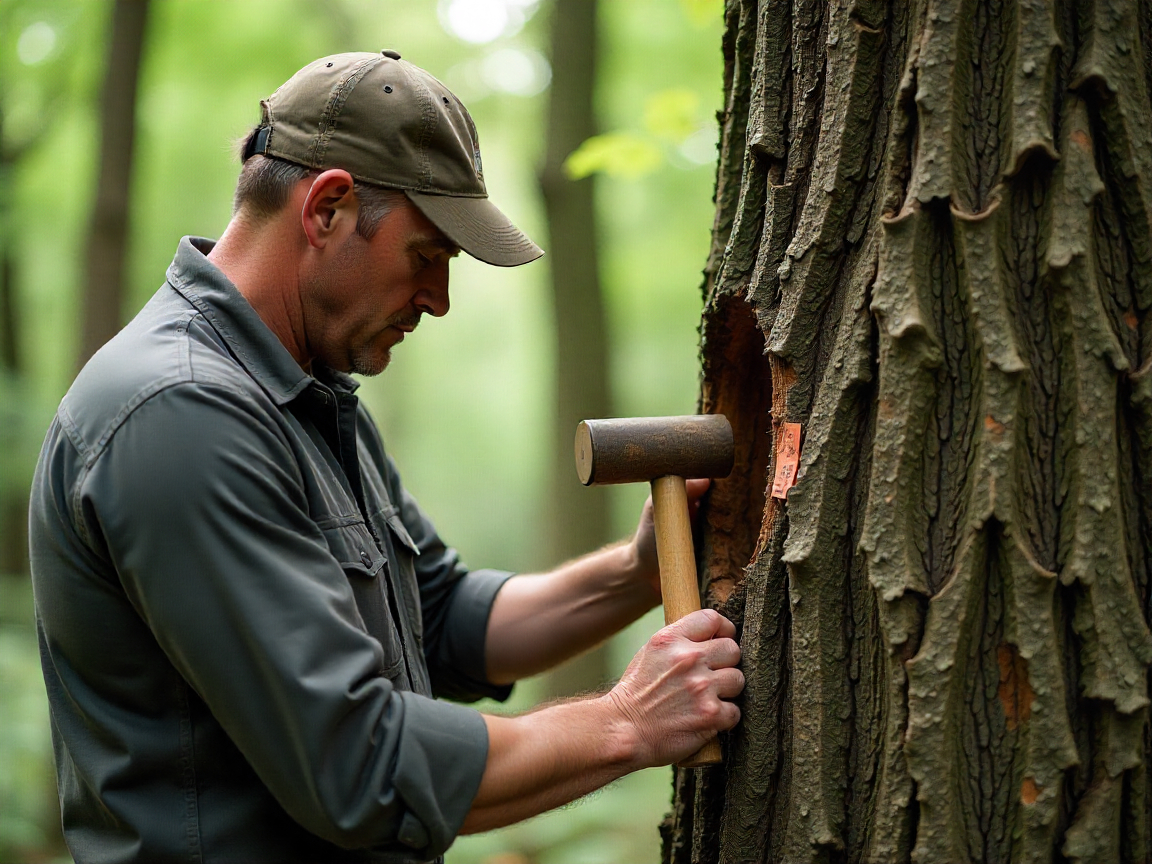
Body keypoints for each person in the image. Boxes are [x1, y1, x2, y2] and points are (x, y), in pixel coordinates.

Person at [29, 52, 743, 864]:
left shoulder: (301, 395)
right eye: (428, 256)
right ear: (328, 207)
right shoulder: (181, 414)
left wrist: (635, 570)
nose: (439, 300)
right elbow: (358, 764)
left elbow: (441, 622)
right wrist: (626, 723)